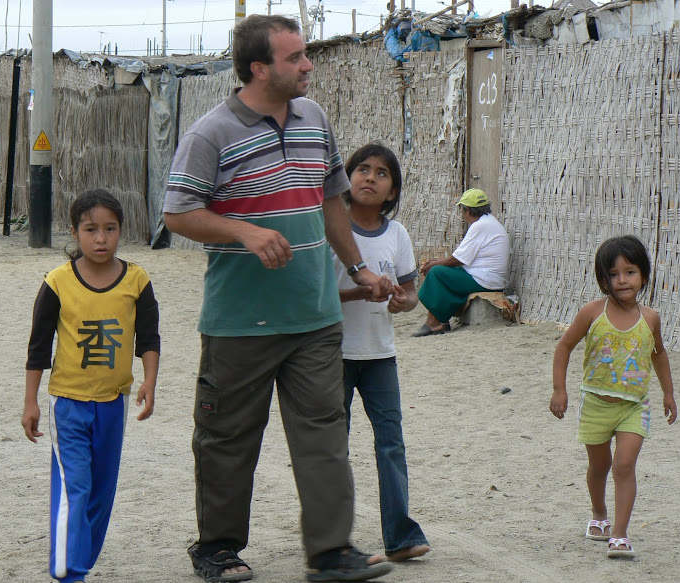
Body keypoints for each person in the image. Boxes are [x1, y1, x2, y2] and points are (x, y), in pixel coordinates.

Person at [162, 14, 394, 583]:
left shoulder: (314, 119)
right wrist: (243, 231)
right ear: (260, 68)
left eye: (305, 54)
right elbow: (176, 212)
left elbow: (332, 200)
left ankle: (331, 551)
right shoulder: (209, 133)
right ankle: (216, 549)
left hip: (315, 318)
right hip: (239, 323)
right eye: (296, 58)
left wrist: (358, 268)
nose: (308, 65)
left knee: (323, 435)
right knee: (227, 440)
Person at [22, 189, 161, 583]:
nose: (101, 238)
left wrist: (150, 380)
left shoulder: (137, 280)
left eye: (110, 229)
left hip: (112, 405)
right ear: (75, 232)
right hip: (68, 405)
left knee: (101, 495)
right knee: (76, 489)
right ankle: (69, 573)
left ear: (121, 231)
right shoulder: (57, 282)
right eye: (91, 229)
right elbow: (38, 348)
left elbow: (148, 339)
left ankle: (79, 560)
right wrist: (31, 402)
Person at [550, 235, 677, 558]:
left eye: (630, 272)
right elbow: (564, 346)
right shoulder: (592, 313)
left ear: (644, 276)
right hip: (595, 403)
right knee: (599, 466)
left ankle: (620, 535)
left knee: (623, 465)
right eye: (614, 274)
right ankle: (599, 514)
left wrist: (668, 393)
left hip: (634, 406)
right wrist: (559, 389)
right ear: (603, 279)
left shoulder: (650, 318)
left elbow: (659, 355)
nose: (623, 280)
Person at [333, 143, 431, 562]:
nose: (370, 178)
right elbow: (317, 295)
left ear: (392, 191)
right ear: (346, 178)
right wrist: (362, 291)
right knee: (333, 448)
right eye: (362, 169)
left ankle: (400, 536)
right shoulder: (332, 229)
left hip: (380, 356)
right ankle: (336, 541)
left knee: (391, 443)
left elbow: (411, 293)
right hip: (332, 356)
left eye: (382, 174)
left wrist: (401, 302)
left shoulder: (397, 234)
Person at [413, 188, 509, 336]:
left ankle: (434, 323)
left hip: (486, 280)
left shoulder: (480, 226)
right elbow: (462, 258)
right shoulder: (487, 223)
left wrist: (434, 264)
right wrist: (437, 262)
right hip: (484, 277)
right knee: (440, 271)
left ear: (468, 211)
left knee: (436, 273)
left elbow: (457, 260)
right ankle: (441, 322)